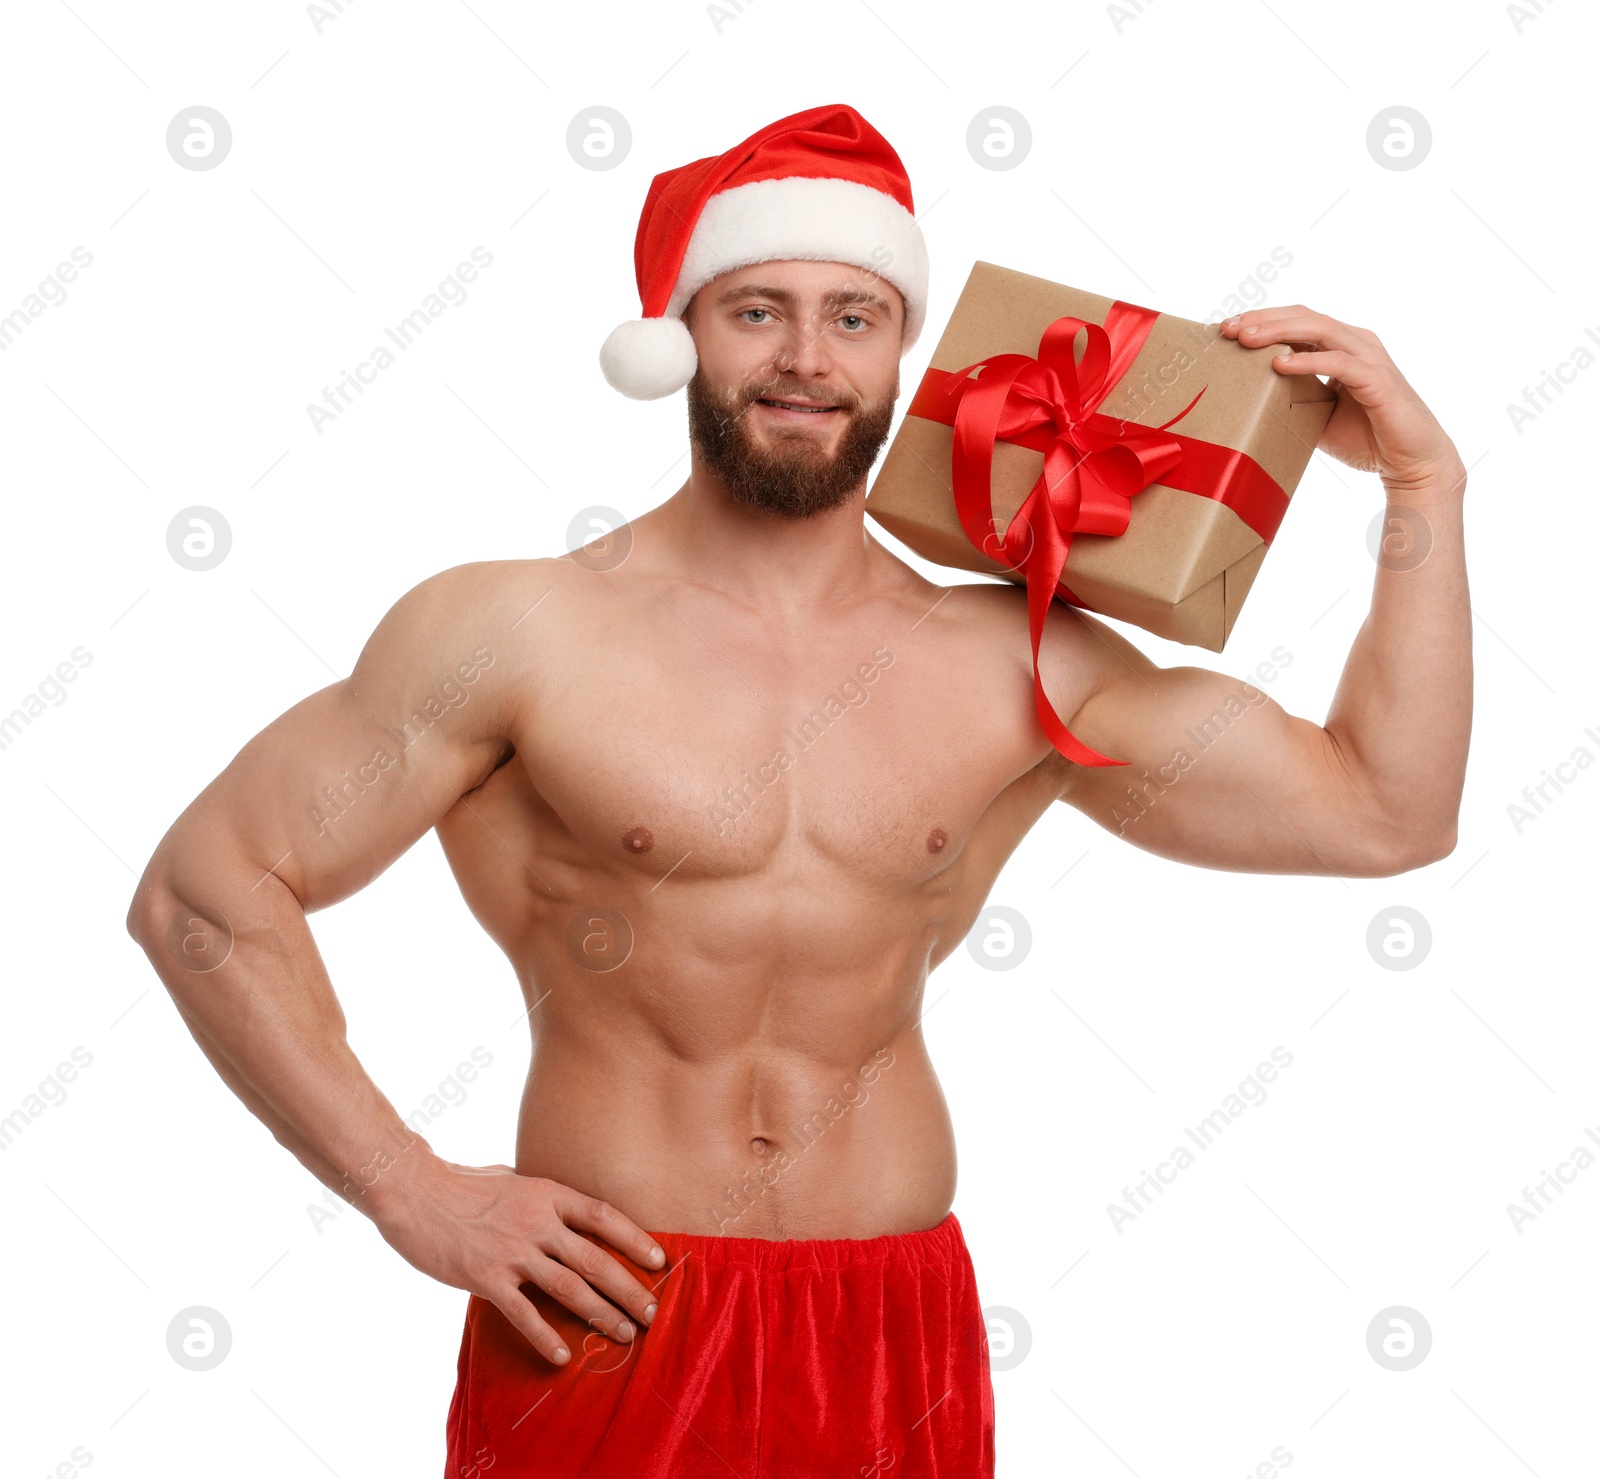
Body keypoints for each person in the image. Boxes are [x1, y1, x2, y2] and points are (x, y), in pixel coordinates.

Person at [125, 102, 1471, 1478]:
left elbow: (1385, 811)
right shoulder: (514, 631)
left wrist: (1423, 483)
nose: (807, 359)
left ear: (907, 354)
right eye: (758, 310)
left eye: (855, 317)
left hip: (894, 1331)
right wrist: (409, 1189)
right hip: (610, 1311)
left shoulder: (1018, 654)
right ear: (684, 337)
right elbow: (206, 891)